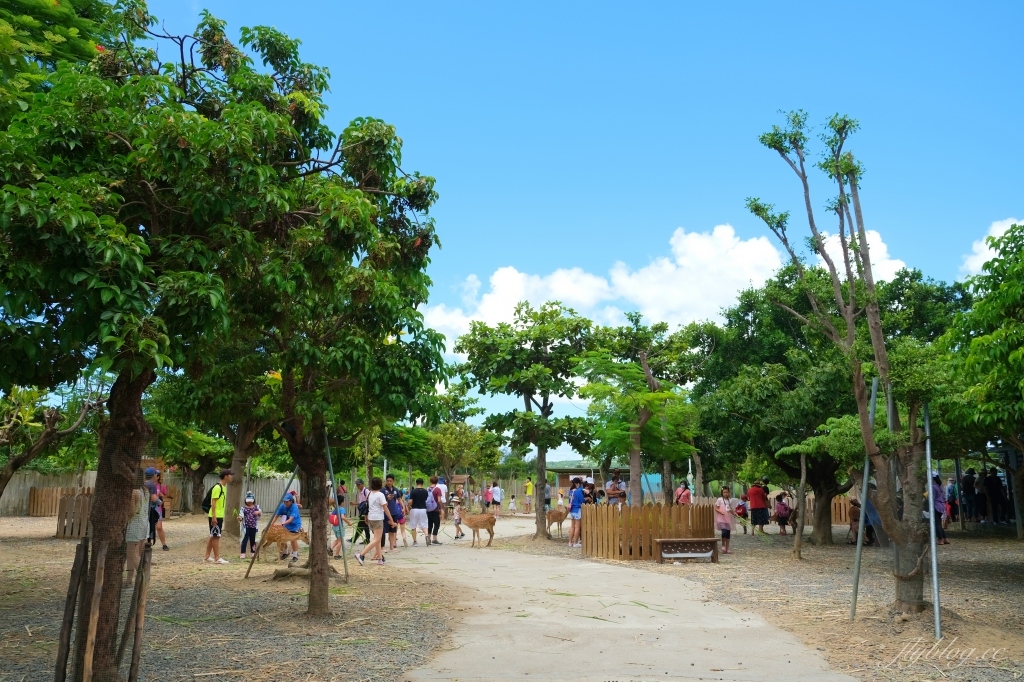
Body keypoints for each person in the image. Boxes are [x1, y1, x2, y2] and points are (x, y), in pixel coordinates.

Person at [356, 477, 397, 566]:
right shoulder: (380, 495)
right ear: (380, 485)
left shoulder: (369, 494)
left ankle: (380, 558)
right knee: (377, 539)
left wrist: (366, 516)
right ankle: (361, 554)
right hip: (378, 518)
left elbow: (368, 506)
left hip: (371, 518)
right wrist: (391, 520)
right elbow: (385, 508)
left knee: (377, 539)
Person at [126, 470, 151, 585]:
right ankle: (129, 579)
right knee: (133, 553)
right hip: (144, 524)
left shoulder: (133, 492)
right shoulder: (145, 490)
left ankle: (144, 579)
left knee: (133, 553)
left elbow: (131, 512)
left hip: (134, 524)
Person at [204, 469, 233, 564]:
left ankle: (207, 556)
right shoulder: (218, 487)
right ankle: (217, 558)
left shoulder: (224, 487)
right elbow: (213, 502)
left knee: (213, 535)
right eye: (230, 475)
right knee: (216, 536)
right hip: (215, 515)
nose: (231, 477)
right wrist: (214, 517)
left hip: (219, 515)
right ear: (226, 476)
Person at [273, 493, 303, 562]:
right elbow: (276, 516)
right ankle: (285, 553)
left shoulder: (294, 507)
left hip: (295, 524)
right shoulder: (282, 506)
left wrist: (282, 524)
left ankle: (295, 556)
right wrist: (271, 524)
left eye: (287, 502)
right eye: (284, 501)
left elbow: (291, 519)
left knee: (293, 539)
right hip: (287, 524)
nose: (285, 503)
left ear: (291, 501)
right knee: (283, 538)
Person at [382, 474, 405, 551]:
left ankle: (392, 547)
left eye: (390, 481)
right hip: (385, 513)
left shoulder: (395, 489)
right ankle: (382, 547)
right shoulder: (383, 490)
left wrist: (403, 507)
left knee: (392, 531)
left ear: (393, 481)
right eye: (387, 481)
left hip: (394, 512)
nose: (389, 482)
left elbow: (399, 498)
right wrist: (386, 498)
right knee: (384, 531)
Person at [238, 491, 261, 559]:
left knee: (253, 540)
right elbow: (241, 516)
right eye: (248, 501)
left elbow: (260, 513)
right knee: (244, 540)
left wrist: (258, 512)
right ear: (245, 501)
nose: (249, 502)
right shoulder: (244, 508)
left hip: (253, 527)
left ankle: (253, 553)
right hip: (246, 527)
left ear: (253, 500)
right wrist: (240, 518)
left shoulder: (256, 507)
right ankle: (243, 553)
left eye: (250, 501)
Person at [714, 486, 737, 554]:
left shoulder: (730, 500)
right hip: (721, 518)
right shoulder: (720, 500)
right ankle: (723, 545)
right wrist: (721, 511)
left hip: (728, 518)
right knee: (724, 532)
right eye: (724, 492)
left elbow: (731, 509)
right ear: (722, 493)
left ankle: (727, 548)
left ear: (729, 492)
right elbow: (716, 508)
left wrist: (734, 513)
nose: (725, 494)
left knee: (728, 533)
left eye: (726, 492)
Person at [408, 478, 429, 546]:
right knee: (424, 524)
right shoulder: (425, 491)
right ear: (422, 483)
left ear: (416, 483)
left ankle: (415, 542)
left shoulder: (413, 491)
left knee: (413, 525)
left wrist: (408, 506)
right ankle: (426, 535)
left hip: (415, 509)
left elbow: (410, 501)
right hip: (423, 509)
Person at [143, 467, 161, 546]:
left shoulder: (143, 483)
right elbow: (153, 498)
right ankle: (147, 544)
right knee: (150, 527)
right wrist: (160, 502)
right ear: (153, 475)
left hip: (143, 508)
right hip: (150, 509)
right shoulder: (152, 485)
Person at [351, 479, 371, 545]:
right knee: (365, 526)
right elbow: (361, 502)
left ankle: (354, 539)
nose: (358, 486)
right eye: (357, 485)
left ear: (362, 484)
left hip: (365, 511)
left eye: (359, 484)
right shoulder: (360, 493)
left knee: (360, 525)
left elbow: (369, 501)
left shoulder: (366, 491)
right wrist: (354, 503)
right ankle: (367, 539)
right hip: (362, 511)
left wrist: (367, 512)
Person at [931, 475, 949, 545]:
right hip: (941, 505)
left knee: (936, 524)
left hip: (936, 506)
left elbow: (932, 497)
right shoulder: (939, 486)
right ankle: (945, 538)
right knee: (938, 523)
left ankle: (940, 539)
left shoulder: (933, 487)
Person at [154, 471, 170, 550]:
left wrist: (162, 495)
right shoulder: (147, 485)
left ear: (158, 477)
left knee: (159, 527)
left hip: (158, 508)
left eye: (155, 475)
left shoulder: (161, 486)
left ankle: (164, 544)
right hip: (149, 508)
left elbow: (166, 496)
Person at [567, 477, 585, 548]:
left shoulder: (570, 491)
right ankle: (575, 543)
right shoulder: (579, 491)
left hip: (571, 510)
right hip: (577, 510)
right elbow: (582, 500)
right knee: (577, 527)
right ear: (578, 483)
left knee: (572, 527)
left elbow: (569, 501)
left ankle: (570, 542)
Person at [426, 476, 443, 545]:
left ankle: (428, 538)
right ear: (437, 482)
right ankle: (434, 539)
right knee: (437, 524)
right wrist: (441, 508)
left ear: (430, 481)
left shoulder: (427, 489)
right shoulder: (438, 489)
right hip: (435, 509)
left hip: (428, 509)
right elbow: (439, 500)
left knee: (429, 524)